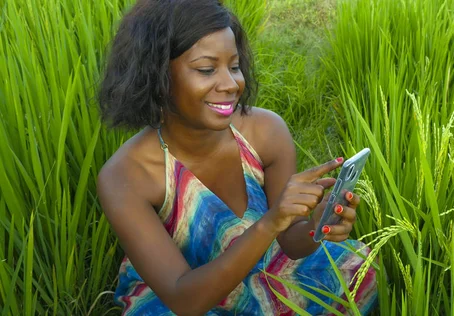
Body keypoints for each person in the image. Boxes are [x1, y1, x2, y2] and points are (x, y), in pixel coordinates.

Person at [97, 0, 377, 314]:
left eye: (234, 66)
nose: (232, 84)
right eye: (206, 69)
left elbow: (289, 242)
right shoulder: (126, 176)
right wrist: (270, 223)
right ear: (157, 76)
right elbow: (184, 298)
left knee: (361, 271)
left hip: (267, 262)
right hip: (186, 290)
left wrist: (315, 226)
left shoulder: (266, 131)